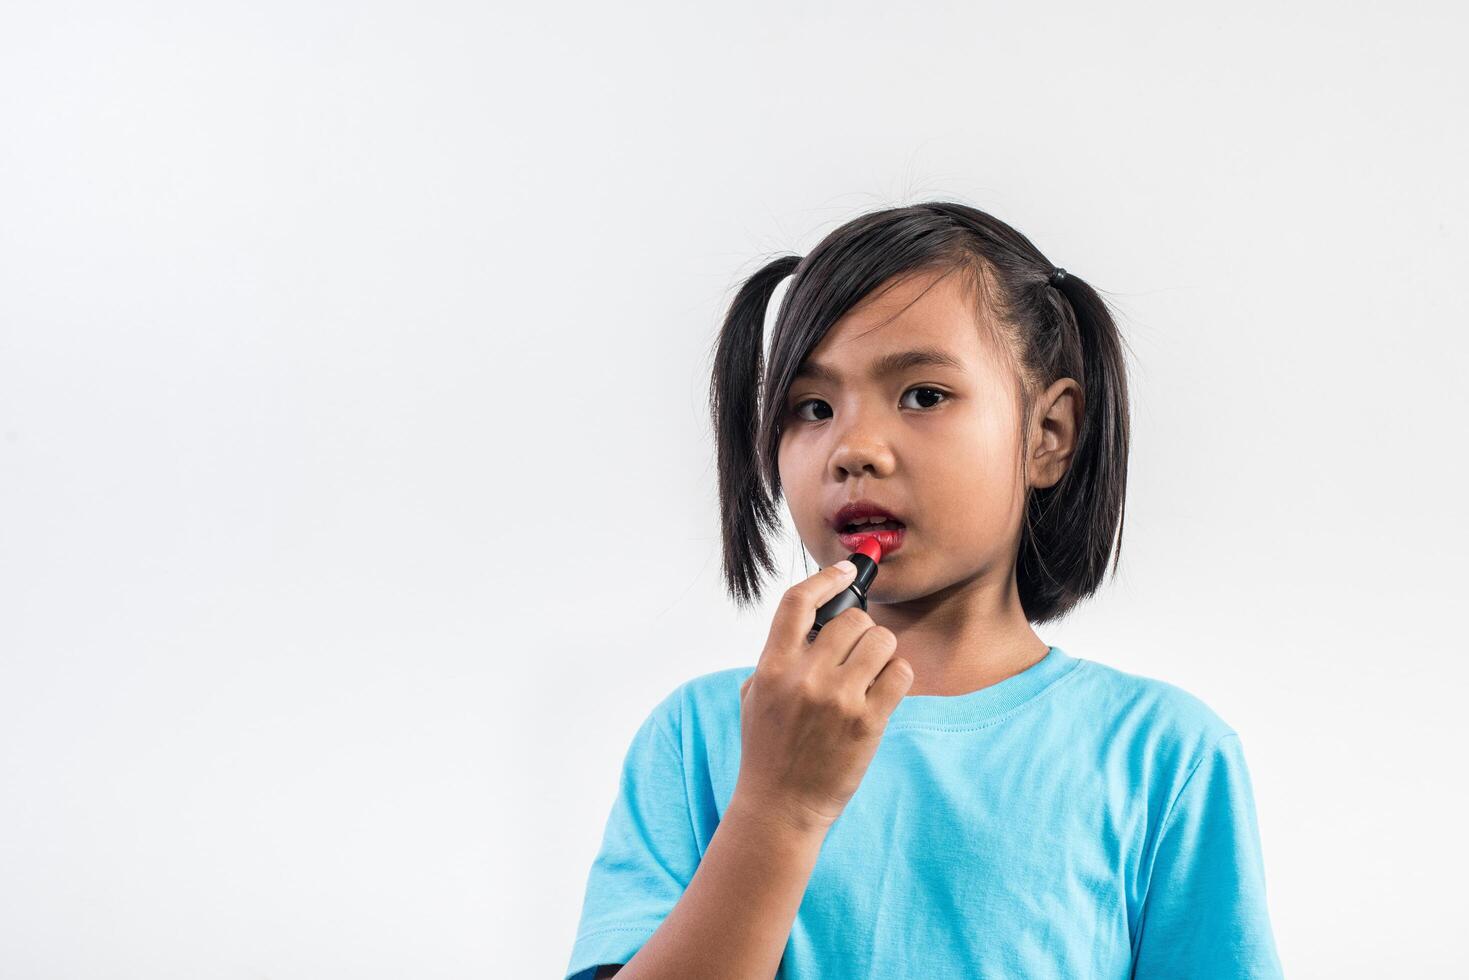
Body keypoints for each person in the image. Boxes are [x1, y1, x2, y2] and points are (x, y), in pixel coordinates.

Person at [564, 202, 1284, 979]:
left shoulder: (1164, 756)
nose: (853, 449)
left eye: (923, 396)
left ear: (1047, 435)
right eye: (811, 408)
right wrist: (776, 808)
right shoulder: (698, 739)